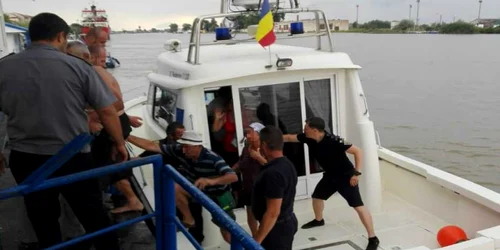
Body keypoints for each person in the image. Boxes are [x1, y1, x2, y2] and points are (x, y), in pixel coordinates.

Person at [0, 13, 125, 249]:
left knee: (42, 218)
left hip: (25, 158)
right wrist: (119, 143)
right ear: (60, 36)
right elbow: (108, 111)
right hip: (73, 156)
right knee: (93, 215)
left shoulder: (4, 66)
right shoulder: (77, 66)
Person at [283, 117, 380, 250]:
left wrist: (356, 173)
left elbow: (358, 151)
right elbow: (288, 138)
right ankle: (319, 220)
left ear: (315, 130)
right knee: (317, 197)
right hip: (330, 176)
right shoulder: (307, 138)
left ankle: (373, 237)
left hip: (346, 177)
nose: (303, 130)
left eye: (306, 128)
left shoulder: (335, 140)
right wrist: (269, 139)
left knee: (358, 206)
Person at [127, 130, 238, 243]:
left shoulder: (213, 158)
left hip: (217, 196)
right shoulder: (181, 150)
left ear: (198, 146)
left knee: (227, 231)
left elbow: (233, 177)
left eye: (187, 147)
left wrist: (210, 181)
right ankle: (189, 219)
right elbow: (152, 146)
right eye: (183, 146)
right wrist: (125, 135)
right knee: (174, 188)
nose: (184, 151)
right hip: (196, 190)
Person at [88, 44, 144, 214]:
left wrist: (92, 117)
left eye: (104, 60)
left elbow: (116, 102)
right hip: (119, 122)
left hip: (113, 125)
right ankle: (129, 198)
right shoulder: (102, 71)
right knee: (115, 162)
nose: (104, 63)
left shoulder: (95, 70)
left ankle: (132, 200)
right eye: (103, 60)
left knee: (109, 164)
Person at [251, 126, 298, 249]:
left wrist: (256, 240)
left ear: (265, 145)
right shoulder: (286, 164)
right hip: (285, 223)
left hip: (276, 229)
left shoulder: (273, 173)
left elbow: (272, 213)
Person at [232, 122, 267, 236]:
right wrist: (229, 171)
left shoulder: (266, 148)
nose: (248, 136)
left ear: (259, 134)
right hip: (248, 187)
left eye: (250, 133)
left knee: (264, 215)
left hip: (262, 189)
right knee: (250, 214)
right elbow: (240, 162)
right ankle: (255, 236)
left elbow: (273, 166)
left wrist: (258, 157)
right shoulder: (246, 149)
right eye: (247, 133)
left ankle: (264, 236)